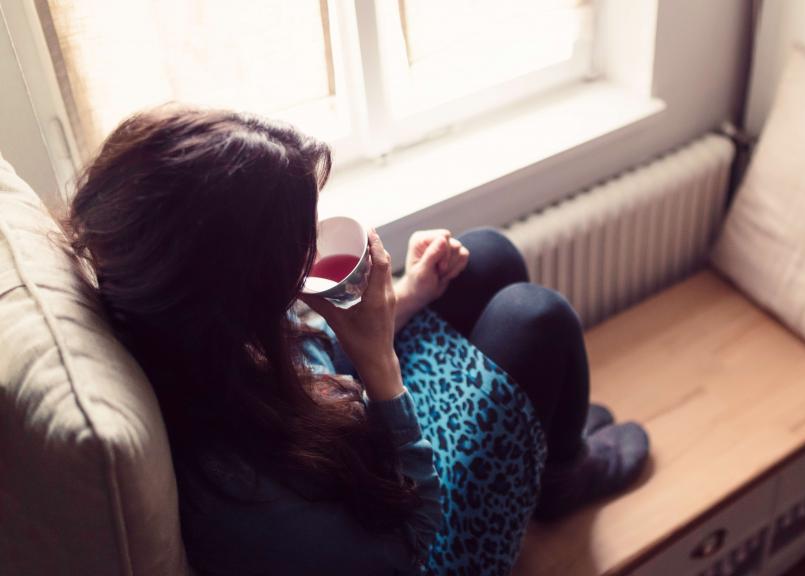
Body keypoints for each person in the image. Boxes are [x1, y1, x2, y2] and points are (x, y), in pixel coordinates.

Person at [65, 105, 649, 575]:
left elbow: (310, 361)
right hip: (416, 529)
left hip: (349, 435)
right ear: (239, 284)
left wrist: (411, 295)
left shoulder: (185, 325)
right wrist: (379, 362)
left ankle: (547, 446)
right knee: (536, 317)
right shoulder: (240, 495)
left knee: (486, 255)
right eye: (294, 243)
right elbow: (411, 544)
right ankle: (562, 474)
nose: (307, 252)